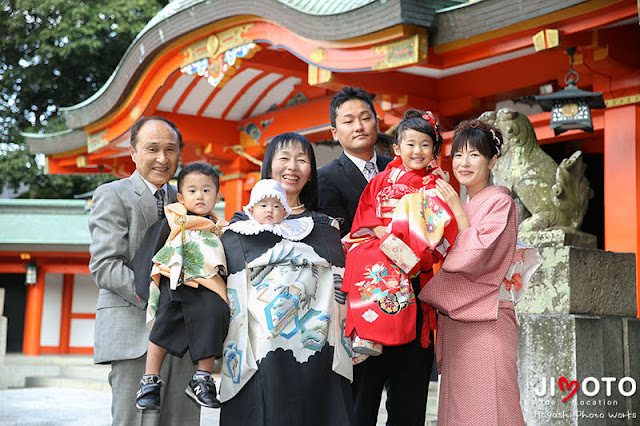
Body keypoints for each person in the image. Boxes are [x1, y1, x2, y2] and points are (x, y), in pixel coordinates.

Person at [219, 132, 353, 426]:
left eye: (302, 160)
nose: (292, 166)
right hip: (258, 350)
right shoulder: (241, 227)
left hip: (317, 350)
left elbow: (343, 285)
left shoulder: (326, 226)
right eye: (284, 158)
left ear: (310, 173)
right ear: (267, 167)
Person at [419, 119, 540, 425]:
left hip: (489, 319)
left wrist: (458, 212)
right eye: (458, 154)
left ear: (492, 160)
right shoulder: (461, 204)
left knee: (493, 407)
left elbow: (479, 256)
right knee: (459, 409)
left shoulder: (501, 203)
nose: (464, 162)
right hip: (457, 319)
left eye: (475, 155)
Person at [339, 110, 455, 426]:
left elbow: (445, 231)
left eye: (425, 145)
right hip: (380, 269)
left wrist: (410, 257)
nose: (417, 151)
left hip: (417, 285)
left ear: (434, 150)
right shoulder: (380, 181)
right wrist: (388, 241)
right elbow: (366, 219)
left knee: (408, 404)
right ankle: (368, 331)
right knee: (361, 402)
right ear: (396, 149)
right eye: (410, 144)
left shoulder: (437, 186)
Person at [88, 116, 200, 425]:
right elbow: (106, 265)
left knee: (184, 420)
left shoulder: (189, 197)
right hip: (134, 332)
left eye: (171, 150)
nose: (163, 159)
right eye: (152, 149)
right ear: (133, 152)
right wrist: (159, 300)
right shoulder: (113, 195)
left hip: (184, 337)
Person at [133, 163, 230, 412]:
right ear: (180, 197)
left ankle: (202, 378)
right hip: (176, 281)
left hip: (209, 285)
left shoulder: (223, 229)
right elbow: (150, 249)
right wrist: (144, 285)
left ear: (218, 195)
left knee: (216, 315)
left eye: (207, 191)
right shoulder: (173, 219)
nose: (200, 196)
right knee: (165, 321)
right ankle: (150, 379)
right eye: (193, 191)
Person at [318, 86, 393, 237]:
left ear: (377, 125)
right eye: (348, 122)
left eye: (365, 118)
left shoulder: (395, 168)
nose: (358, 127)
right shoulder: (325, 178)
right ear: (335, 133)